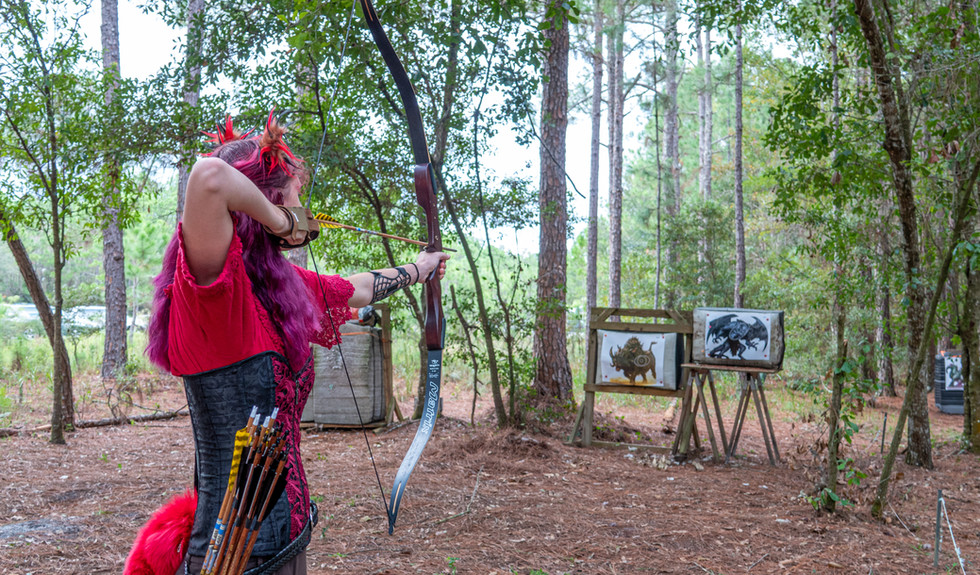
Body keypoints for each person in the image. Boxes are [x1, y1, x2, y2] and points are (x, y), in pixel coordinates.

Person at [125, 110, 448, 575]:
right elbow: (209, 176)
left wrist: (420, 268)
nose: (304, 208)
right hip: (234, 560)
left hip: (286, 541)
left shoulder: (275, 285)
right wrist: (284, 221)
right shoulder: (213, 292)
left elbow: (352, 289)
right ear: (266, 197)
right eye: (295, 194)